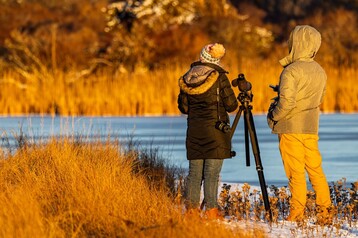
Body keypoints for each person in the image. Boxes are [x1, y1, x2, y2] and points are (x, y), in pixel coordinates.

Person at [267, 25, 332, 224]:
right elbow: (319, 98)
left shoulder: (291, 71)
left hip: (290, 127)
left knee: (295, 172)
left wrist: (274, 116)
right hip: (311, 127)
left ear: (295, 43)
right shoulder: (320, 70)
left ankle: (297, 213)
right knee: (315, 170)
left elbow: (287, 103)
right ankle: (325, 211)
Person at [177, 43, 238, 219]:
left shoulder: (187, 77)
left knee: (194, 173)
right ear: (216, 59)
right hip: (215, 131)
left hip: (195, 130)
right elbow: (231, 105)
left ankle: (191, 211)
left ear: (201, 57)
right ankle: (212, 211)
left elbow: (184, 107)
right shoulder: (219, 77)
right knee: (212, 173)